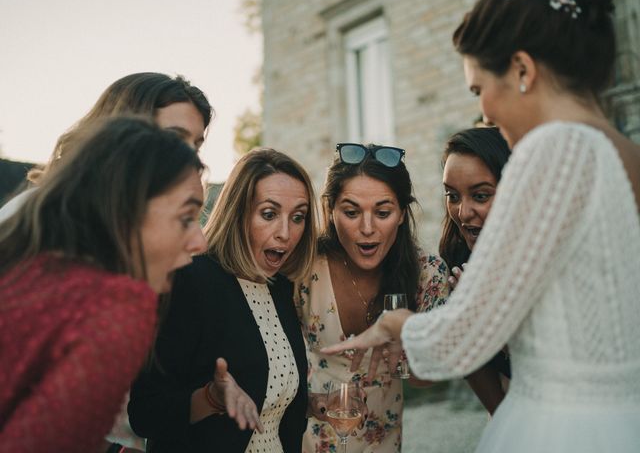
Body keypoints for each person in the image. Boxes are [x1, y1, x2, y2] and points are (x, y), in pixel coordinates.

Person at [323, 0, 640, 451]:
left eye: (478, 90)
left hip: (561, 427)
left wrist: (397, 325)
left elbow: (465, 336)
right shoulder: (625, 153)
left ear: (522, 70)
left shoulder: (553, 148)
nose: (485, 113)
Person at [0, 117, 207, 453]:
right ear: (124, 214)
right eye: (186, 219)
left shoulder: (31, 266)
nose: (200, 242)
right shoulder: (118, 305)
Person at [128, 148, 318, 453]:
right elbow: (145, 413)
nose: (286, 233)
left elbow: (270, 396)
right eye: (269, 214)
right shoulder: (191, 281)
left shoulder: (281, 286)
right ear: (238, 212)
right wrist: (210, 398)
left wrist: (309, 402)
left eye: (298, 217)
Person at [296, 143, 449, 452]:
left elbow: (426, 380)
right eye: (351, 212)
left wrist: (412, 340)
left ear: (402, 214)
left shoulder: (428, 275)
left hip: (383, 443)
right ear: (330, 211)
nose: (367, 228)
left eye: (382, 212)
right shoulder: (302, 268)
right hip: (310, 439)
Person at [0, 72, 212, 222]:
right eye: (173, 139)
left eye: (195, 146)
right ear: (119, 133)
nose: (189, 159)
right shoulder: (41, 218)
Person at [439, 127, 512, 414]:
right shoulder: (456, 259)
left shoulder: (543, 256)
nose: (462, 212)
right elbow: (469, 359)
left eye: (480, 196)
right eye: (452, 196)